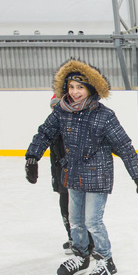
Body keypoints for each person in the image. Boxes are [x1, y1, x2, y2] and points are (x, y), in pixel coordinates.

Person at [25, 58, 138, 275]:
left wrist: (137, 175)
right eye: (71, 87)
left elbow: (124, 146)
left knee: (93, 221)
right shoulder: (62, 111)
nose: (75, 92)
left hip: (97, 175)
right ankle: (81, 256)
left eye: (80, 87)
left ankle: (106, 261)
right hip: (72, 175)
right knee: (76, 221)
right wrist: (32, 157)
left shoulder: (104, 115)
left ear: (90, 88)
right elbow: (44, 134)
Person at [45, 93, 95, 255]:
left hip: (74, 177)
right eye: (53, 107)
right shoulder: (53, 127)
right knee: (66, 211)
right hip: (61, 177)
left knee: (78, 212)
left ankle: (88, 243)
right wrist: (56, 181)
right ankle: (74, 239)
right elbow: (54, 157)